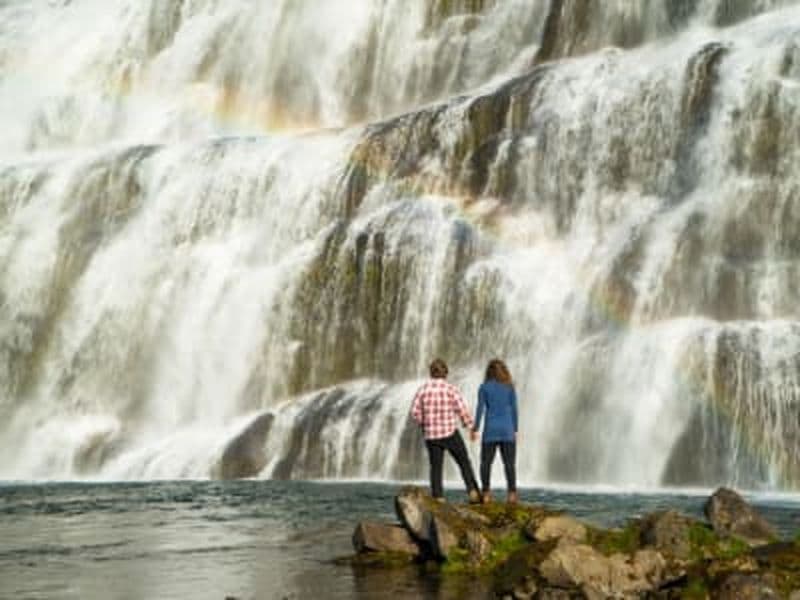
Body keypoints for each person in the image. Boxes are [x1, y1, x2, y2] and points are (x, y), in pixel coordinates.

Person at [410, 358, 481, 503]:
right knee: (463, 462)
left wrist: (424, 424)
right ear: (445, 373)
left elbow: (414, 412)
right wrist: (471, 428)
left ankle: (438, 497)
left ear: (431, 373)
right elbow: (462, 410)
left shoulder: (423, 390)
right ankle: (472, 491)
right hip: (450, 432)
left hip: (431, 435)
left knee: (436, 467)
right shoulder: (450, 389)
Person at [472, 358, 518, 504]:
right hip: (507, 429)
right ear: (504, 371)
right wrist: (516, 429)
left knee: (486, 463)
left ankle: (486, 493)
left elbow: (480, 409)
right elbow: (514, 409)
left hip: (490, 430)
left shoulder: (484, 387)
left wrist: (475, 428)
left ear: (489, 372)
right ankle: (511, 494)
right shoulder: (509, 387)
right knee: (509, 464)